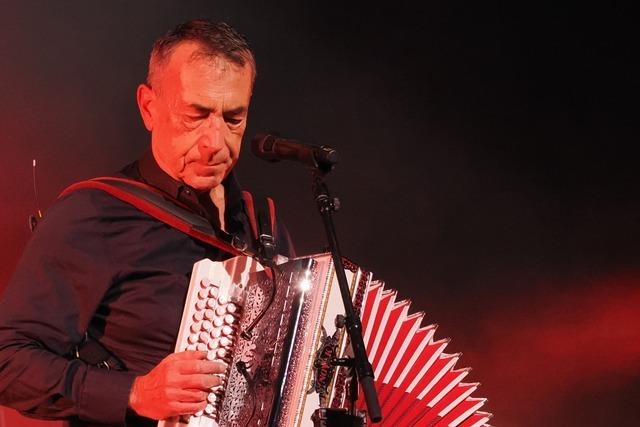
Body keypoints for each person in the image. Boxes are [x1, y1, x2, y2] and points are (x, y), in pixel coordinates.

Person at [0, 19, 292, 426]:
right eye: (196, 114)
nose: (215, 143)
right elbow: (8, 361)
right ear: (149, 107)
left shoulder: (263, 221)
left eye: (233, 118)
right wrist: (134, 392)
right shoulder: (95, 214)